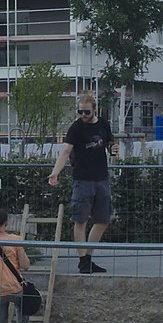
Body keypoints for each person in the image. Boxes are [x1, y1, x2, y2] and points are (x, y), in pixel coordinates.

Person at [48, 95, 119, 274]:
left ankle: (87, 258)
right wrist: (55, 173)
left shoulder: (103, 124)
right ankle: (83, 260)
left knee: (103, 220)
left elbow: (110, 143)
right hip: (82, 180)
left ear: (94, 109)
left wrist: (113, 149)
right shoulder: (76, 127)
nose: (83, 115)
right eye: (80, 111)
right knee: (80, 220)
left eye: (86, 112)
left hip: (102, 178)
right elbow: (65, 152)